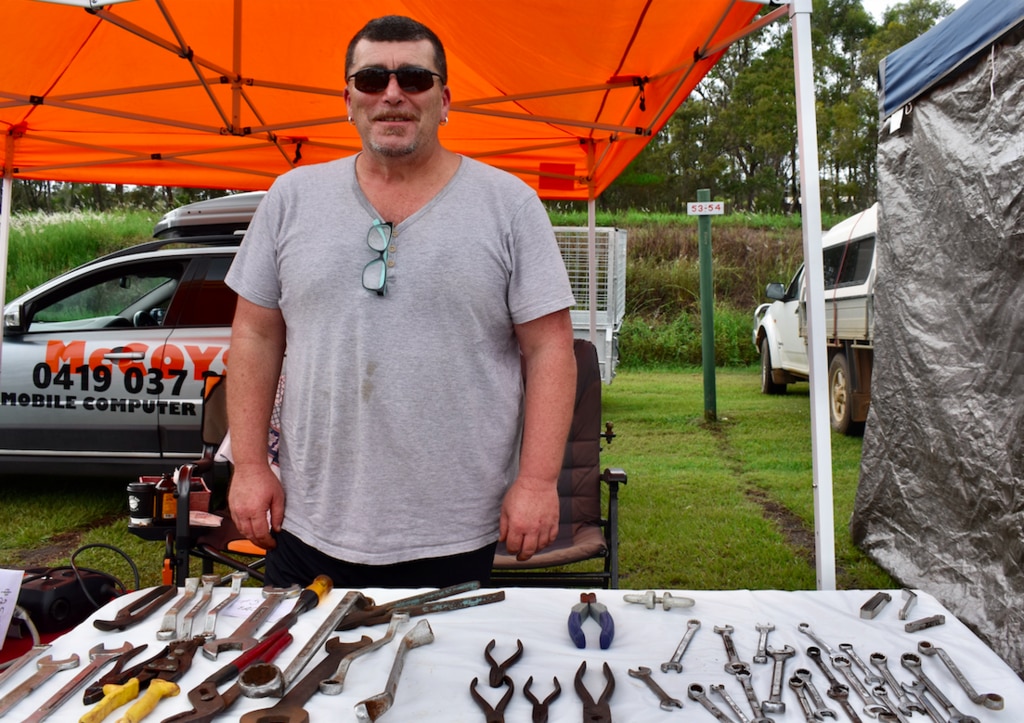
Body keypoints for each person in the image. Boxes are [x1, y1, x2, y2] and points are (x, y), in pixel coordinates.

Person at [224, 14, 577, 589]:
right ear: (348, 99)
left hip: (454, 526)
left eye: (415, 78)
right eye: (371, 80)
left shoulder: (510, 206)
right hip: (308, 520)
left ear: (444, 99)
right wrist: (249, 466)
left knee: (439, 677)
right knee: (290, 672)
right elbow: (255, 335)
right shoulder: (291, 198)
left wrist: (537, 482)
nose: (392, 94)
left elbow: (550, 350)